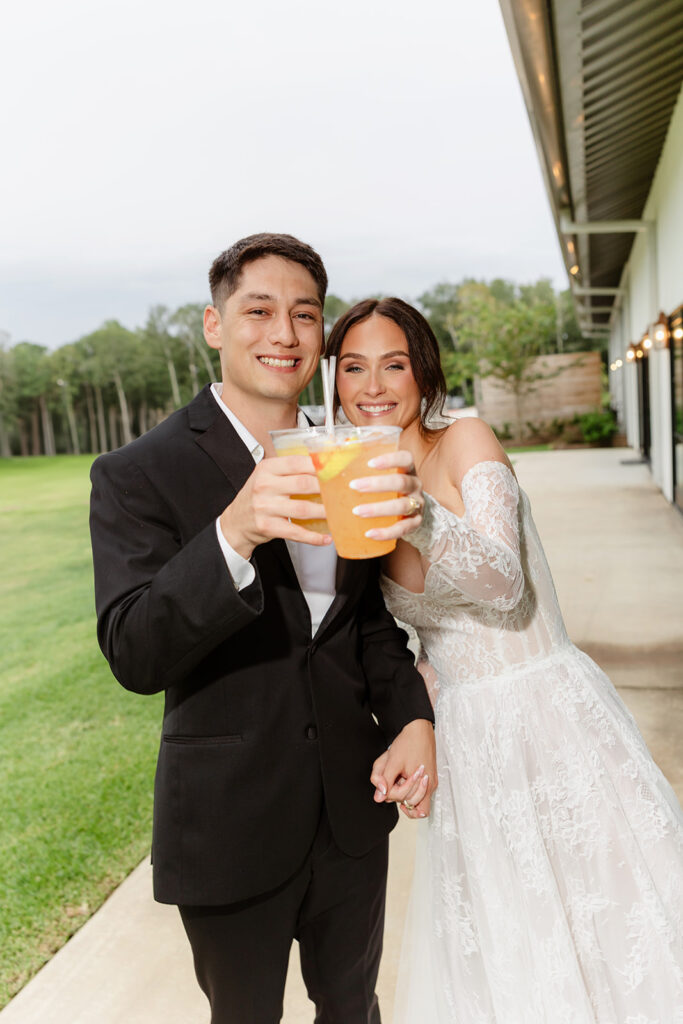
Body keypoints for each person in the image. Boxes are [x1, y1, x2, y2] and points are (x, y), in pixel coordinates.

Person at [89, 236, 437, 1024]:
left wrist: (413, 716)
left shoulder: (351, 453)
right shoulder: (137, 472)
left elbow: (366, 626)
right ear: (214, 325)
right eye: (258, 310)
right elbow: (134, 650)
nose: (283, 332)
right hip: (229, 825)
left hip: (350, 817)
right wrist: (234, 534)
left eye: (303, 314)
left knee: (353, 1008)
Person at [326, 296, 683, 1022]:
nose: (372, 386)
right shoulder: (351, 483)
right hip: (468, 744)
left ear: (422, 373)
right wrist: (411, 729)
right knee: (511, 939)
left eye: (392, 364)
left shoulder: (465, 442)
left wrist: (417, 514)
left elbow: (502, 581)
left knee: (609, 920)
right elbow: (432, 641)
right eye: (354, 368)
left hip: (549, 718)